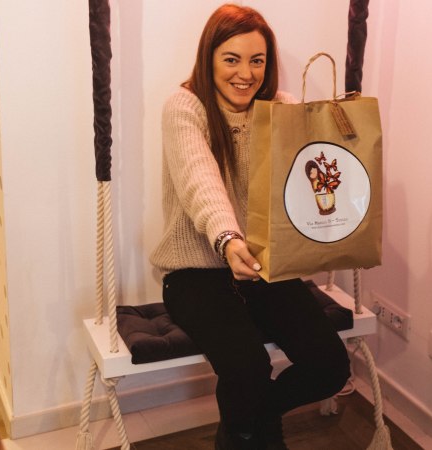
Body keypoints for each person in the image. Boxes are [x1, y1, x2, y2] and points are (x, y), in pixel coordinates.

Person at [150, 4, 351, 449]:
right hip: (195, 273)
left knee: (330, 366)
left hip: (265, 267)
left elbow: (312, 171)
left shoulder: (281, 108)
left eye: (257, 60)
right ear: (209, 58)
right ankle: (252, 437)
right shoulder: (185, 107)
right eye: (232, 59)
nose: (245, 73)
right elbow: (200, 180)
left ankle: (250, 426)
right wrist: (227, 237)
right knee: (247, 368)